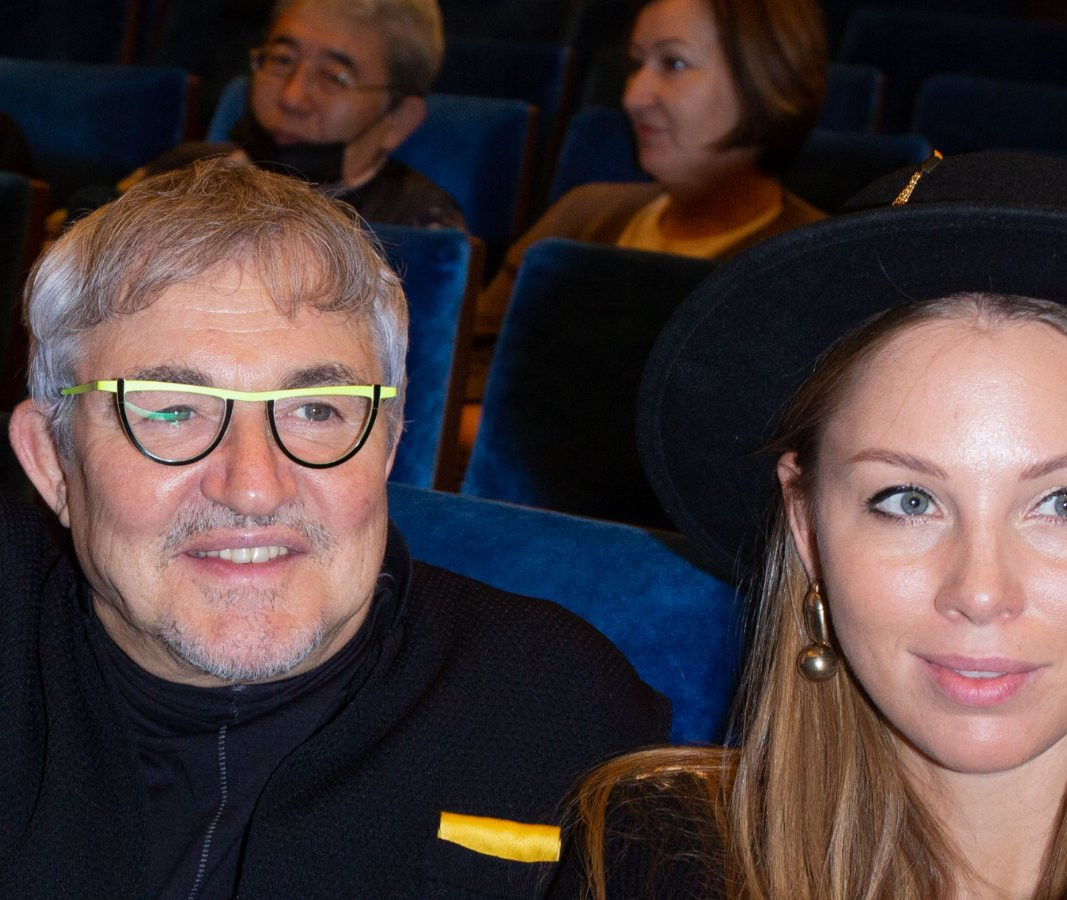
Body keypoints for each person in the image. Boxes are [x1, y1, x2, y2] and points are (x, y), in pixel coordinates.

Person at [0, 159, 668, 898]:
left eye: (315, 411)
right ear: (52, 460)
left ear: (388, 442)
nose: (254, 487)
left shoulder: (561, 717)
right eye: (171, 410)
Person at [549, 151, 1067, 898]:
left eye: (1065, 503)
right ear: (806, 525)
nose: (981, 593)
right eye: (909, 501)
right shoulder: (652, 860)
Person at [474, 0, 827, 336]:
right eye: (635, 65)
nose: (632, 98)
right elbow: (472, 356)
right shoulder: (579, 214)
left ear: (770, 75)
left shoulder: (820, 261)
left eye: (674, 63)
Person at [105, 0, 464, 230]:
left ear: (399, 118)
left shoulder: (417, 226)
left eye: (333, 77)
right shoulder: (180, 173)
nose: (292, 98)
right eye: (281, 60)